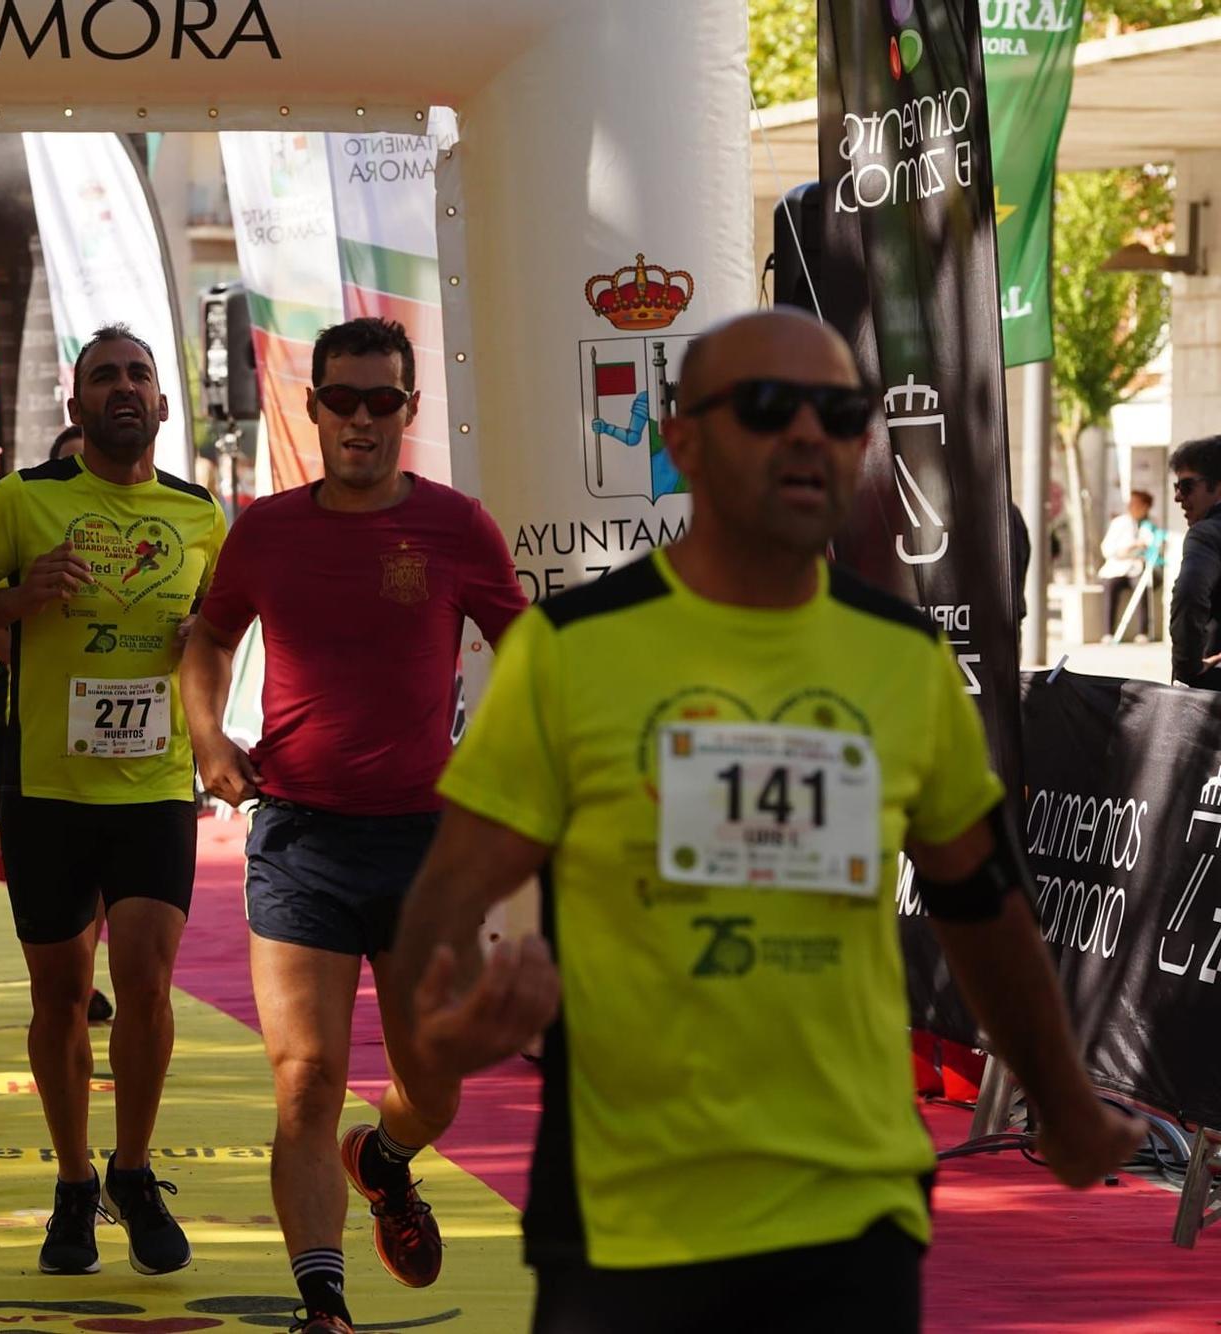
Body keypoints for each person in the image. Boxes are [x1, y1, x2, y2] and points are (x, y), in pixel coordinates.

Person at [390, 310, 1143, 1332]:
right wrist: (442, 1032)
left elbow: (981, 901)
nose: (804, 434)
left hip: (852, 1203)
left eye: (837, 412)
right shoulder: (572, 651)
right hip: (629, 1220)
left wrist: (1059, 1102)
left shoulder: (901, 658)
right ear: (679, 439)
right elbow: (447, 892)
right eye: (762, 406)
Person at [180, 317, 528, 1332]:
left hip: (424, 846)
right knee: (305, 1076)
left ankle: (384, 1159)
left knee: (434, 1083)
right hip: (297, 839)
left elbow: (532, 652)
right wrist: (210, 737)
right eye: (344, 399)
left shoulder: (456, 527)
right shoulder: (266, 528)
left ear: (410, 410)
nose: (363, 419)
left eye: (383, 401)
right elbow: (206, 634)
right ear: (314, 406)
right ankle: (321, 1300)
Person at [0, 324, 225, 1279]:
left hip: (152, 785)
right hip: (48, 786)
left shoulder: (201, 514)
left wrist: (208, 680)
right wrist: (20, 600)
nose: (126, 388)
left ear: (164, 406)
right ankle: (69, 1182)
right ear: (78, 406)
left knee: (144, 979)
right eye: (106, 376)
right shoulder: (26, 500)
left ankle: (131, 1171)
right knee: (60, 994)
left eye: (141, 374)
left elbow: (224, 638)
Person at [0, 425, 113, 1026]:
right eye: (70, 465)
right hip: (25, 712)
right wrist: (42, 656)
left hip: (120, 724)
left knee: (112, 854)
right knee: (40, 855)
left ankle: (85, 972)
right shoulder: (28, 518)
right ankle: (64, 970)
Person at [1170, 437, 1221, 688]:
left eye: (1187, 486)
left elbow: (1189, 594)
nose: (1178, 497)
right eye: (1176, 487)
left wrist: (1188, 667)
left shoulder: (1208, 534)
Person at [1098, 491, 1159, 644]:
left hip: (1136, 568)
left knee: (1141, 587)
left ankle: (1142, 632)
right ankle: (1107, 632)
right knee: (1110, 587)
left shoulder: (1149, 524)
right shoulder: (1120, 523)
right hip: (1117, 567)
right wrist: (1132, 547)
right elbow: (1108, 549)